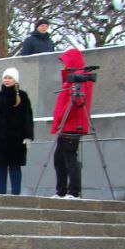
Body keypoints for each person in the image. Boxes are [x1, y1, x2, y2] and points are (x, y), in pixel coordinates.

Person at [0, 67, 33, 195]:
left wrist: (28, 136)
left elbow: (27, 117)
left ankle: (16, 195)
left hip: (16, 139)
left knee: (15, 167)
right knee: (0, 167)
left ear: (15, 80)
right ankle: (1, 194)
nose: (7, 80)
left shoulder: (23, 96)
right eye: (5, 77)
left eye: (10, 77)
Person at [51, 46, 92, 198]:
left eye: (66, 62)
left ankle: (73, 191)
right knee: (59, 158)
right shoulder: (73, 77)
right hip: (67, 123)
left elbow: (77, 101)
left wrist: (61, 115)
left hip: (73, 123)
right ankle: (61, 191)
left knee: (69, 158)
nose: (64, 65)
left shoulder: (80, 78)